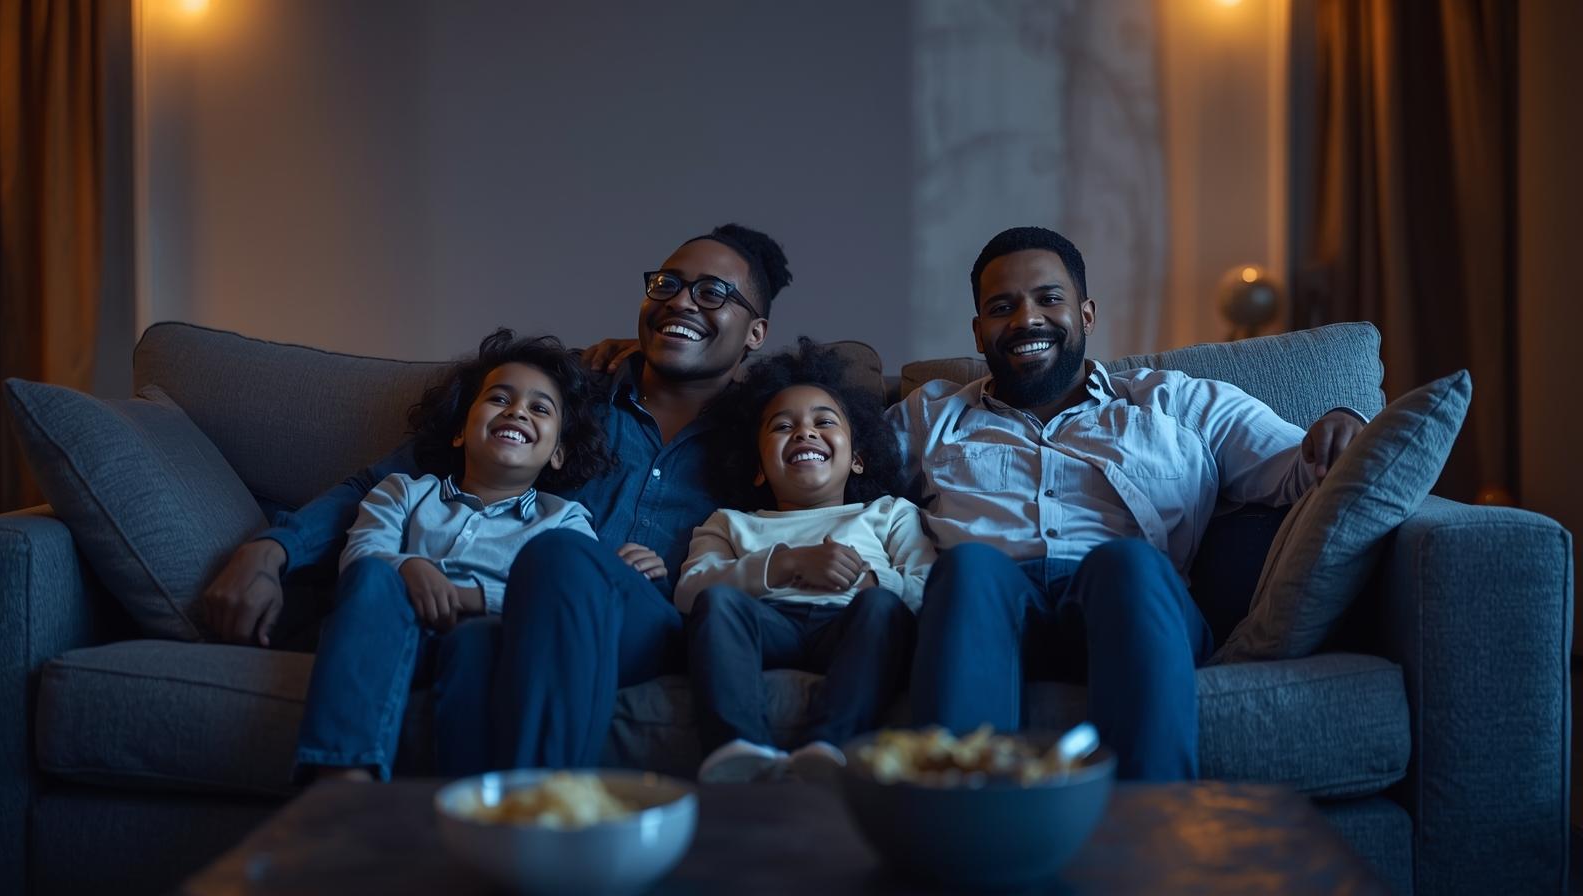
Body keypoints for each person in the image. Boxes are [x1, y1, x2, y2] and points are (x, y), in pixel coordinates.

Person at [201, 223, 792, 772]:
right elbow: (382, 484)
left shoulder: (770, 436)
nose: (682, 302)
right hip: (510, 615)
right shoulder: (563, 394)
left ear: (756, 333)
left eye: (713, 293)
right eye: (669, 284)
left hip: (644, 627)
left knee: (558, 555)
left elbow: (841, 509)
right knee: (521, 593)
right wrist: (270, 550)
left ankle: (539, 811)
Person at [893, 226, 1365, 781]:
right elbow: (830, 473)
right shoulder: (929, 416)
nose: (1026, 320)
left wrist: (1343, 424)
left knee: (1127, 563)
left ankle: (1149, 832)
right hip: (987, 613)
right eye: (1003, 307)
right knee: (969, 569)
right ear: (978, 332)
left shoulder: (1177, 402)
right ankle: (963, 837)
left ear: (1086, 315)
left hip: (1129, 609)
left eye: (1049, 299)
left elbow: (1300, 466)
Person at [292, 331, 607, 781]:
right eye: (500, 398)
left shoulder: (566, 519)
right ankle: (344, 781)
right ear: (461, 431)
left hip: (486, 639)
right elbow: (361, 554)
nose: (517, 411)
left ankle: (470, 804)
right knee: (371, 578)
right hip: (391, 628)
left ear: (558, 453)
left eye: (540, 408)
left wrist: (471, 598)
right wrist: (410, 566)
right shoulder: (403, 490)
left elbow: (569, 600)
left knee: (478, 640)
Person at [676, 340, 931, 783]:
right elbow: (689, 590)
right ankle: (738, 747)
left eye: (824, 422)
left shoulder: (889, 512)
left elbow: (928, 584)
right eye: (782, 426)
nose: (804, 433)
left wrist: (874, 582)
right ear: (757, 466)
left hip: (852, 625)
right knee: (718, 604)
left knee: (882, 610)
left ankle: (829, 745)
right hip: (768, 624)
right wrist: (785, 565)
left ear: (857, 458)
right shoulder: (731, 522)